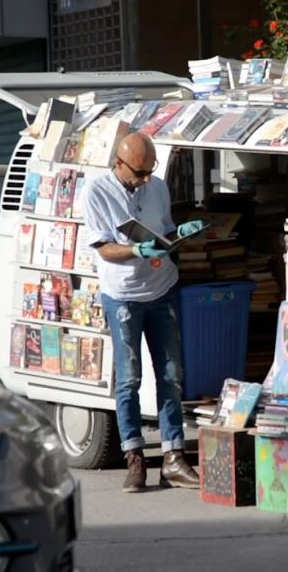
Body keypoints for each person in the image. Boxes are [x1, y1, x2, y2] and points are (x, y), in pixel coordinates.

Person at [82, 132, 204, 493]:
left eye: (150, 171)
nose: (145, 179)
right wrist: (137, 250)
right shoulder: (97, 192)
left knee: (171, 375)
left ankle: (174, 457)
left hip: (162, 287)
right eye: (139, 172)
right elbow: (104, 248)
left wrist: (178, 235)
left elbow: (165, 231)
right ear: (118, 164)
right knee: (129, 379)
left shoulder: (157, 186)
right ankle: (134, 458)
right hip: (123, 295)